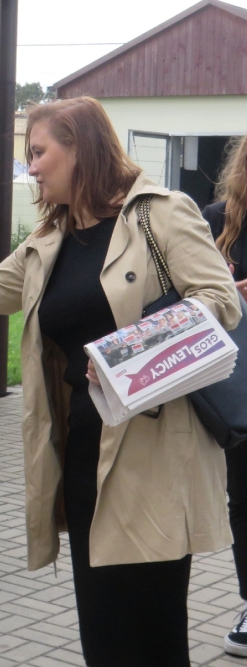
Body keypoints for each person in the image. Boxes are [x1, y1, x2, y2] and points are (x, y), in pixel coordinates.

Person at [0, 96, 241, 666]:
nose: (30, 167)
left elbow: (219, 300)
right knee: (102, 635)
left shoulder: (160, 214)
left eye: (38, 152)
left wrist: (129, 355)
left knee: (152, 636)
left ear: (80, 149)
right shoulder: (49, 240)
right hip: (82, 452)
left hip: (152, 452)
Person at [202, 134, 247, 657]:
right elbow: (186, 298)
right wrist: (226, 294)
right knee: (246, 499)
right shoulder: (216, 220)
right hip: (240, 386)